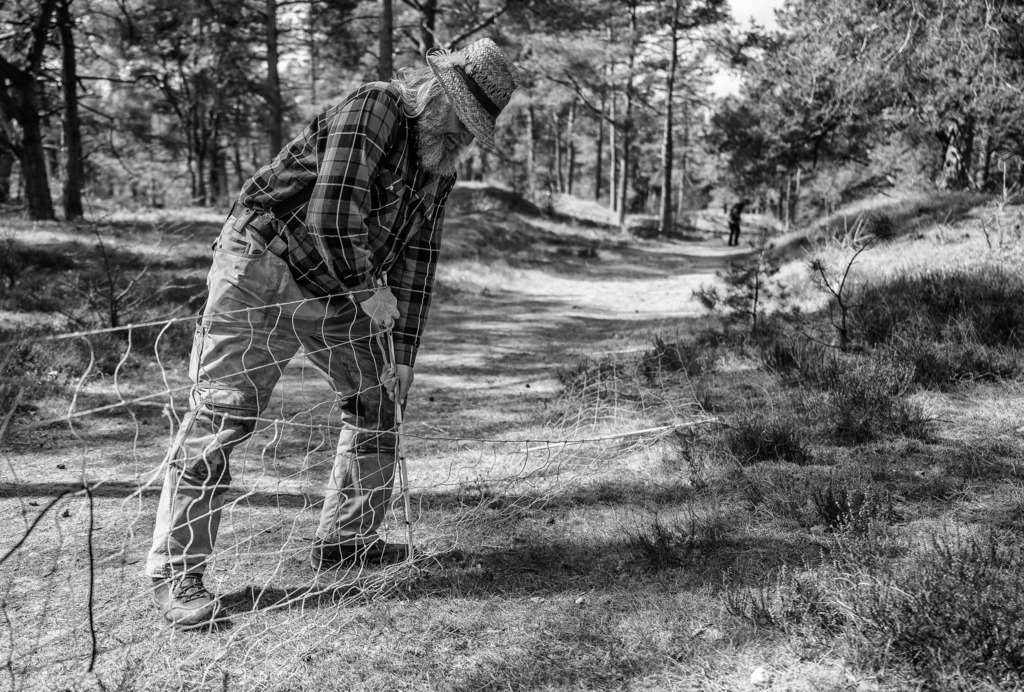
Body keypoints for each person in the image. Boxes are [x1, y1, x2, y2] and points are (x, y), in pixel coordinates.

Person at [146, 38, 520, 628]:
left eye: (473, 130)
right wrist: (369, 289)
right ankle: (178, 570)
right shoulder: (375, 108)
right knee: (223, 412)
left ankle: (346, 541)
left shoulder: (439, 165)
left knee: (378, 402)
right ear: (436, 94)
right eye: (460, 122)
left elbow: (419, 258)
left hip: (341, 285)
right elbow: (332, 211)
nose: (462, 139)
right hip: (264, 262)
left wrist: (404, 352)